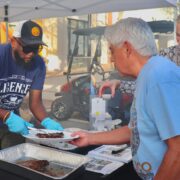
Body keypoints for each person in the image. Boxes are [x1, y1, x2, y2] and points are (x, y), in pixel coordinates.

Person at [71, 17, 180, 179]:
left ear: (127, 48)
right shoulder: (147, 74)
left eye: (112, 50)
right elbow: (135, 130)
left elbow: (177, 149)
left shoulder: (159, 77)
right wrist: (89, 138)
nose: (111, 58)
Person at [0, 20, 63, 149]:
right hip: (9, 118)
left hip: (13, 124)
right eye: (27, 48)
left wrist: (46, 120)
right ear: (13, 42)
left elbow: (35, 103)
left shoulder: (38, 65)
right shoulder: (1, 55)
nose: (31, 54)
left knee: (12, 164)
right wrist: (6, 115)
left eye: (36, 48)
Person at [99, 14, 180, 97]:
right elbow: (148, 84)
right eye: (178, 35)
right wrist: (120, 84)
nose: (179, 40)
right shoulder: (165, 55)